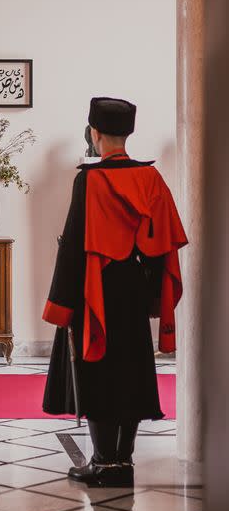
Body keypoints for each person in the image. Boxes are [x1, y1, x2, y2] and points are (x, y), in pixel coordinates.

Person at [42, 97, 187, 487]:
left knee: (99, 368)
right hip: (133, 289)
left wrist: (61, 306)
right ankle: (124, 461)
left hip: (96, 291)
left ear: (95, 133)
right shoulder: (151, 179)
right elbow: (163, 245)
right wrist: (153, 296)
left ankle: (103, 462)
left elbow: (73, 247)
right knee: (134, 369)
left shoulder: (89, 180)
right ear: (128, 133)